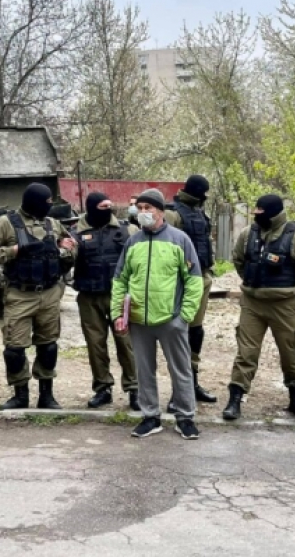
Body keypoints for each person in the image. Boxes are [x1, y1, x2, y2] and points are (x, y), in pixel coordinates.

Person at [111, 188, 204, 440]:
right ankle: (150, 416)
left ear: (161, 211)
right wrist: (118, 313)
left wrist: (184, 315)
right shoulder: (133, 242)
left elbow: (194, 280)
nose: (143, 213)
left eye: (148, 208)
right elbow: (120, 280)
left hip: (171, 319)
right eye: (139, 209)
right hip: (139, 320)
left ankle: (185, 417)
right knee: (144, 370)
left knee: (181, 369)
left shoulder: (179, 239)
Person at [222, 194, 295, 421]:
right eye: (255, 213)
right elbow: (239, 260)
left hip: (284, 304)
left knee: (290, 352)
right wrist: (252, 281)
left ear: (275, 213)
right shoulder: (249, 234)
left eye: (261, 213)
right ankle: (235, 399)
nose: (257, 217)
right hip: (252, 303)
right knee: (246, 352)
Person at [0, 183, 76, 410]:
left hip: (50, 293)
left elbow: (70, 246)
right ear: (33, 202)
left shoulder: (52, 223)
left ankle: (46, 395)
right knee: (14, 349)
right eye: (46, 203)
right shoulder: (6, 223)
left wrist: (65, 248)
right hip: (19, 294)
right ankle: (20, 395)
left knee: (48, 346)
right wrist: (15, 251)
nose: (49, 207)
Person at [72, 191, 139, 410]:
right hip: (89, 297)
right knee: (95, 345)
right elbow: (64, 262)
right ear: (91, 208)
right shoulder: (76, 233)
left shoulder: (127, 230)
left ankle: (135, 389)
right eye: (102, 206)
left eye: (110, 205)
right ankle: (103, 389)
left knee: (126, 343)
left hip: (118, 296)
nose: (107, 210)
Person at [164, 174, 217, 407]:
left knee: (195, 332)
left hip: (201, 277)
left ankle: (192, 384)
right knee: (178, 334)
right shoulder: (173, 214)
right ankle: (178, 391)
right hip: (179, 281)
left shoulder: (199, 212)